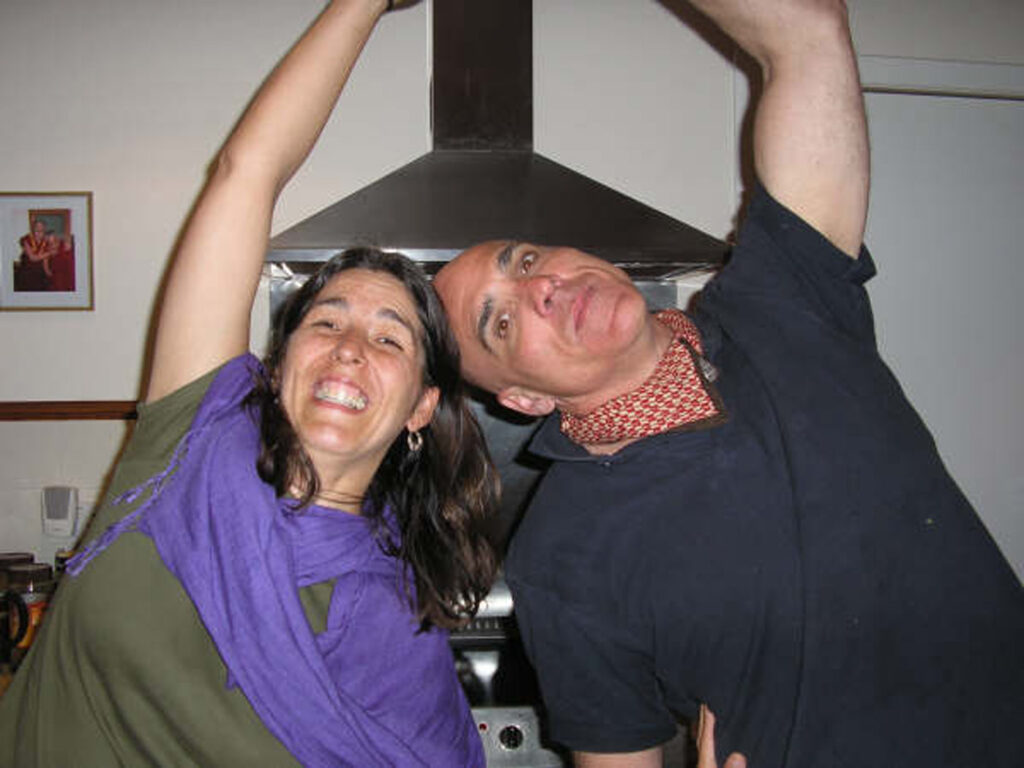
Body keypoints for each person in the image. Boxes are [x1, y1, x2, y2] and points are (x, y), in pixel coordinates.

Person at [433, 1, 1024, 767]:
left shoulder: (781, 297)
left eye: (522, 259)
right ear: (525, 400)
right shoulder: (564, 560)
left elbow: (808, 31)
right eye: (502, 326)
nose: (539, 287)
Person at [0, 1, 499, 766]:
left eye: (390, 338)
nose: (350, 349)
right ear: (275, 367)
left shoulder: (397, 627)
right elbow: (247, 170)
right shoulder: (191, 441)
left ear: (422, 407)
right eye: (326, 321)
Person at [14, 219, 57, 291]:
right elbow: (32, 258)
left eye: (41, 229)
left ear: (44, 230)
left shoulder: (45, 241)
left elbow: (45, 260)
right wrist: (50, 253)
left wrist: (48, 272)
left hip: (39, 274)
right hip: (26, 272)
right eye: (37, 228)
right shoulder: (26, 239)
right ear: (33, 229)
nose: (39, 231)